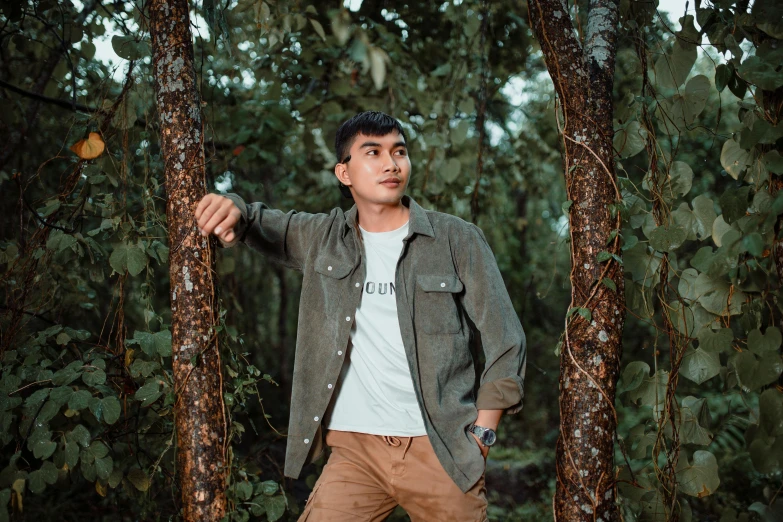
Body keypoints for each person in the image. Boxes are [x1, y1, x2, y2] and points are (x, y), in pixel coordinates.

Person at [195, 111, 526, 521]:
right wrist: (230, 207)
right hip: (355, 454)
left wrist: (483, 432)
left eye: (399, 152)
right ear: (344, 172)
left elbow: (506, 340)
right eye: (373, 152)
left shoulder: (457, 238)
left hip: (442, 450)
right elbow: (256, 220)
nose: (391, 163)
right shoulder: (322, 238)